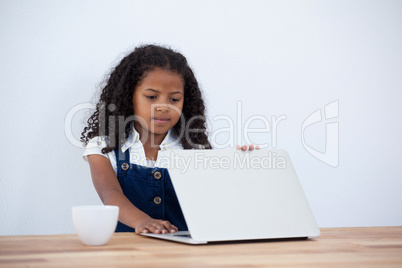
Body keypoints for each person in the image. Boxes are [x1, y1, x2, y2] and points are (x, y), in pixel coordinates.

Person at [81, 44, 257, 235]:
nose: (163, 107)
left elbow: (215, 204)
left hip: (183, 256)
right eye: (151, 96)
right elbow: (110, 195)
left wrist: (241, 171)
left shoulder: (194, 150)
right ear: (128, 96)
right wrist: (143, 221)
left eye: (174, 99)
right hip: (126, 253)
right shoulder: (103, 147)